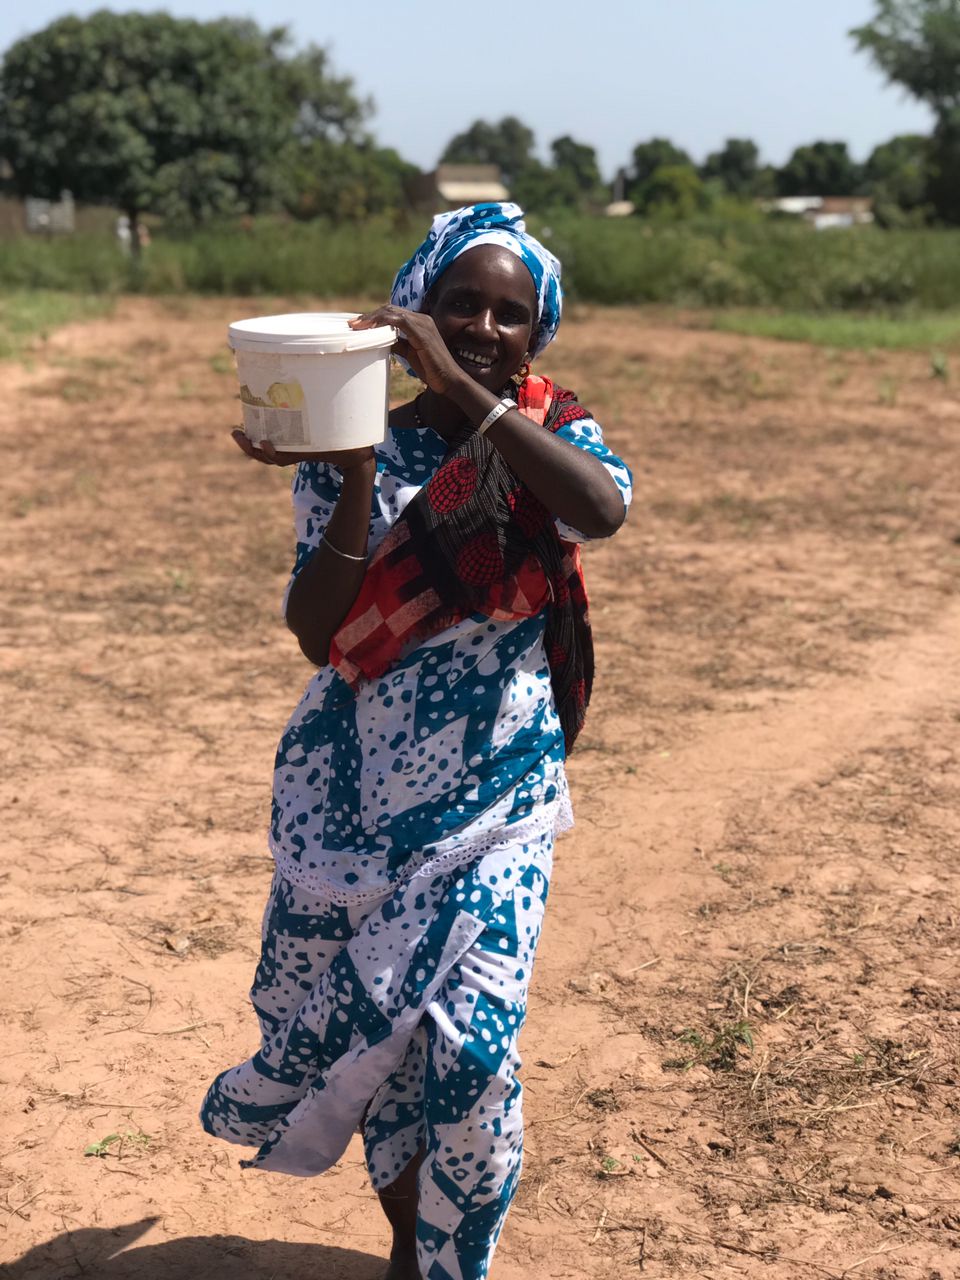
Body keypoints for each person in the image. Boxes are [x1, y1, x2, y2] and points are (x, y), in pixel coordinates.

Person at [201, 203, 633, 1280]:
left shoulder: (550, 436)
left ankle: (452, 1257)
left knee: (473, 1050)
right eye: (459, 304)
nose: (483, 325)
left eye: (508, 313)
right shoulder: (357, 446)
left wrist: (474, 402)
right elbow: (320, 632)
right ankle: (411, 1245)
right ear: (415, 312)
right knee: (375, 1048)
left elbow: (602, 508)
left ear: (536, 334)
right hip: (353, 797)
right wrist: (354, 468)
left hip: (498, 796)